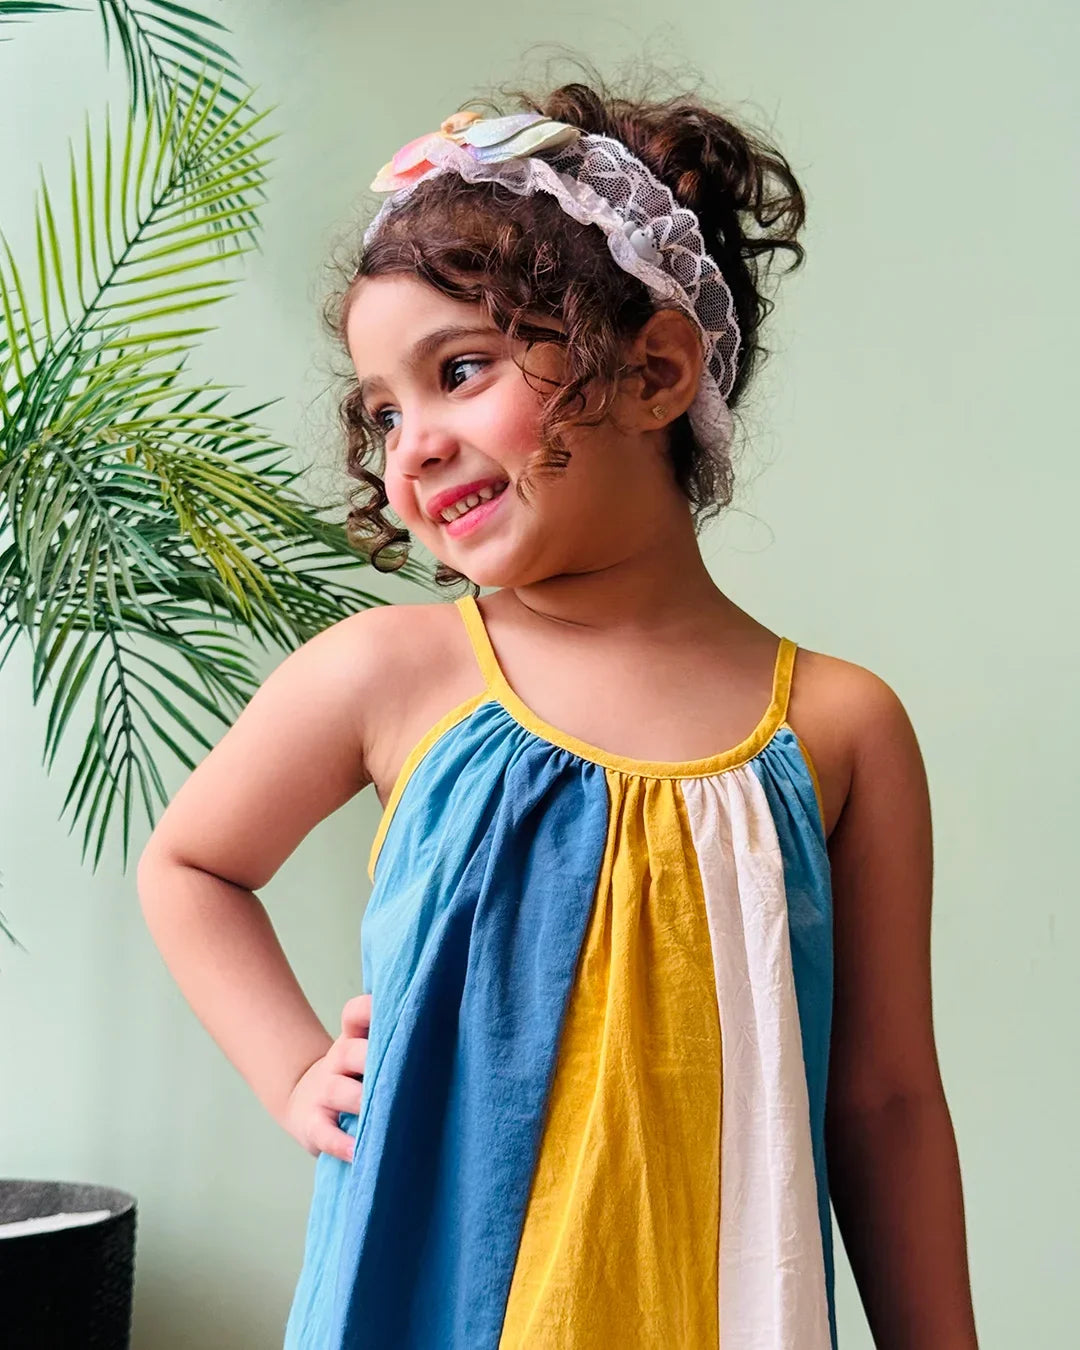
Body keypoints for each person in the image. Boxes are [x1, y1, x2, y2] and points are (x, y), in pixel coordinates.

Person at [137, 70, 980, 1350]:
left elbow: (885, 1102)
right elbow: (189, 862)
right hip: (431, 1306)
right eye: (381, 411)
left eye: (458, 369)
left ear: (651, 375)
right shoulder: (393, 674)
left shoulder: (843, 727)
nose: (408, 443)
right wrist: (295, 1066)